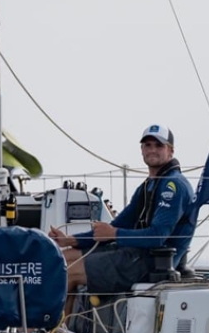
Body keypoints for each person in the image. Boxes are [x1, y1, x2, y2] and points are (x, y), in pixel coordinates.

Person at [48, 124, 196, 313]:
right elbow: (118, 225)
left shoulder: (173, 186)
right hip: (134, 253)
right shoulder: (149, 185)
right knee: (63, 259)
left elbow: (157, 236)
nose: (152, 150)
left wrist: (115, 234)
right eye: (147, 145)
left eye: (158, 146)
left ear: (170, 151)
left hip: (151, 263)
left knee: (68, 273)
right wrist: (72, 240)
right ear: (141, 149)